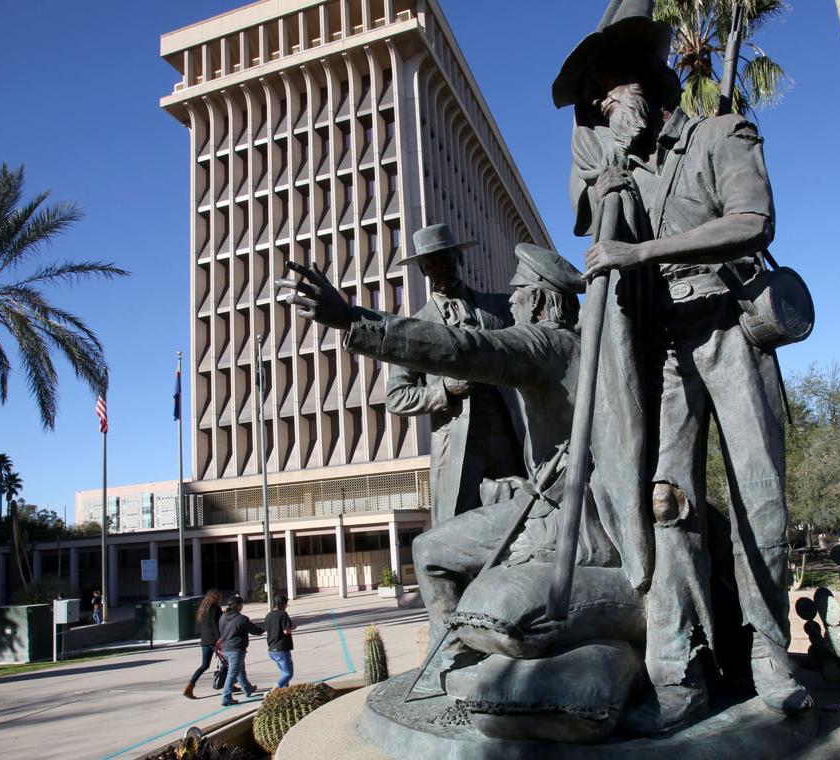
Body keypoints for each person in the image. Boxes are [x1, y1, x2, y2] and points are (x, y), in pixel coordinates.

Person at [561, 0, 812, 732]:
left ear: (643, 83)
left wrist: (638, 251)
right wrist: (605, 177)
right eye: (595, 105)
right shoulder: (623, 174)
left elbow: (752, 221)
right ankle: (680, 677)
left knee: (759, 495)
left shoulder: (719, 133)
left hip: (732, 330)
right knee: (666, 504)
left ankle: (770, 651)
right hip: (668, 347)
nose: (602, 111)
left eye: (608, 93)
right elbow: (588, 214)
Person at [277, 245, 637, 678]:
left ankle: (452, 663)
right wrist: (442, 392)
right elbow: (403, 391)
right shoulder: (585, 342)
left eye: (519, 294)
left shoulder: (540, 339)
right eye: (430, 264)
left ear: (538, 301)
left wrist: (352, 318)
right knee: (460, 531)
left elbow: (466, 347)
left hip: (560, 502)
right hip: (504, 469)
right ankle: (459, 647)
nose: (514, 302)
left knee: (431, 550)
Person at [386, 223, 525, 523]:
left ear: (459, 259)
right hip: (456, 448)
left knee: (521, 519)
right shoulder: (415, 328)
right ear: (423, 270)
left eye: (446, 258)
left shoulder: (500, 307)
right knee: (454, 528)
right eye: (432, 263)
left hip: (508, 437)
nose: (441, 267)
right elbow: (395, 397)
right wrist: (444, 390)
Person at [218, 594, 263, 706]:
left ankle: (247, 689)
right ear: (237, 606)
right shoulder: (241, 619)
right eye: (242, 604)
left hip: (225, 648)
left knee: (240, 669)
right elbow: (255, 630)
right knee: (233, 672)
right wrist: (264, 628)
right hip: (236, 649)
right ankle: (226, 697)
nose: (242, 606)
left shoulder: (223, 617)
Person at [183, 589, 223, 699]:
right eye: (219, 597)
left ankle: (189, 687)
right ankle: (230, 684)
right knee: (229, 662)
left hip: (204, 640)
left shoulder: (203, 609)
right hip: (214, 641)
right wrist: (220, 639)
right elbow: (216, 626)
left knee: (204, 665)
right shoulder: (216, 609)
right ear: (215, 597)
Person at [264, 594, 296, 689]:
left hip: (272, 649)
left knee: (284, 673)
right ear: (283, 604)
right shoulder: (283, 614)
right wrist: (293, 627)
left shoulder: (268, 615)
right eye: (286, 604)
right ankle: (274, 691)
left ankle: (284, 691)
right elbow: (286, 631)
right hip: (281, 648)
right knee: (288, 674)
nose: (286, 606)